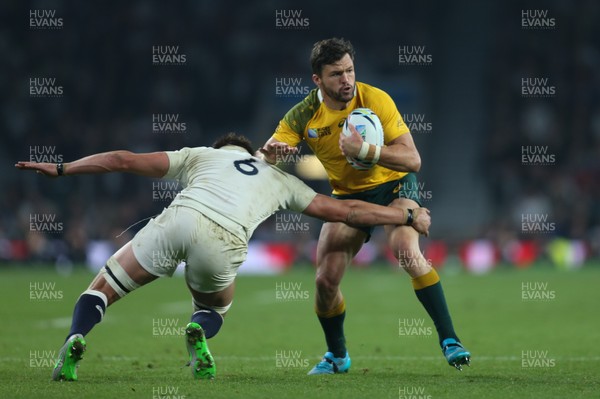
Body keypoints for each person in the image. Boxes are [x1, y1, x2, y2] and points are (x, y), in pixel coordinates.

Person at [15, 133, 431, 381]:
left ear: (223, 148)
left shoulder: (201, 155)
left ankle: (75, 338)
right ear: (251, 152)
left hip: (180, 220)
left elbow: (124, 160)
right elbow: (346, 211)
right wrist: (401, 213)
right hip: (226, 239)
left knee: (102, 289)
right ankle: (198, 333)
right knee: (216, 307)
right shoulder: (281, 180)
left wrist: (64, 168)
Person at [258, 38, 470, 373]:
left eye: (349, 70)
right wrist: (268, 156)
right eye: (336, 74)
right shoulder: (303, 115)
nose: (346, 80)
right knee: (325, 281)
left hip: (394, 184)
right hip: (347, 197)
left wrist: (367, 151)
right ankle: (337, 355)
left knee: (406, 251)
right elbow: (268, 155)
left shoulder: (374, 99)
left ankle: (450, 340)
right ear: (318, 80)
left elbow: (413, 159)